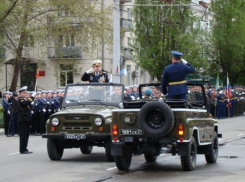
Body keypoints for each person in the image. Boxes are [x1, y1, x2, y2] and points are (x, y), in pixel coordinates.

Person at [17, 86, 33, 154]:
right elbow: (24, 103)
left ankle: (25, 148)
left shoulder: (25, 100)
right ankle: (22, 149)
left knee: (26, 135)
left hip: (26, 119)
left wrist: (31, 99)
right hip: (22, 120)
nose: (25, 94)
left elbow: (29, 105)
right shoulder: (20, 100)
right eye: (24, 92)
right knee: (23, 135)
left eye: (26, 93)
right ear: (20, 93)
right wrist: (32, 98)